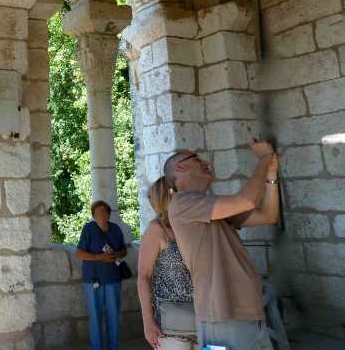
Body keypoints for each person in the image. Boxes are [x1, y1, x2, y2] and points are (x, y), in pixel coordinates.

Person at [165, 138, 280, 350]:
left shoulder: (208, 204)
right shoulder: (183, 203)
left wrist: (271, 174)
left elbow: (267, 215)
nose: (205, 162)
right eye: (197, 159)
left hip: (247, 309)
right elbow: (247, 200)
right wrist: (264, 159)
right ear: (179, 167)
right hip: (222, 314)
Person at [137, 177, 198, 350]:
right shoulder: (157, 229)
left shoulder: (192, 226)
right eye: (178, 191)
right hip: (170, 324)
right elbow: (143, 276)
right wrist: (148, 321)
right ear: (167, 196)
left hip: (202, 316)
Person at [76, 200, 128, 350]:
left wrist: (116, 254)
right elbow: (79, 252)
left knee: (113, 316)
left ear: (109, 214)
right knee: (95, 316)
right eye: (98, 213)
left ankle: (113, 347)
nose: (101, 215)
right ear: (93, 215)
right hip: (93, 279)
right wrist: (100, 257)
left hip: (113, 278)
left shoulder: (115, 229)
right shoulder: (88, 229)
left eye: (104, 212)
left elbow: (124, 250)